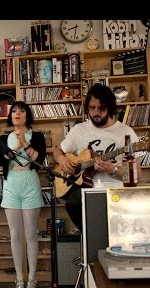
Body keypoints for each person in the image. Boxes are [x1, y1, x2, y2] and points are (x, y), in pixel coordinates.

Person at [52, 83, 142, 231]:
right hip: (87, 193)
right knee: (73, 202)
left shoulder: (125, 132)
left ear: (110, 108)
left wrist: (112, 169)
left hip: (115, 193)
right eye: (92, 108)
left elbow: (136, 174)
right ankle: (90, 236)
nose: (96, 113)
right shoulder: (79, 130)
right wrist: (62, 160)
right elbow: (57, 151)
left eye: (101, 108)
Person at [0, 101, 46, 288]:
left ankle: (32, 279)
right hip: (11, 186)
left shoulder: (38, 136)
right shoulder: (2, 138)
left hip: (30, 184)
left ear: (27, 115)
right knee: (15, 235)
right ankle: (19, 279)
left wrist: (24, 142)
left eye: (22, 111)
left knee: (31, 234)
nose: (17, 114)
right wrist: (13, 147)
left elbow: (38, 160)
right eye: (14, 111)